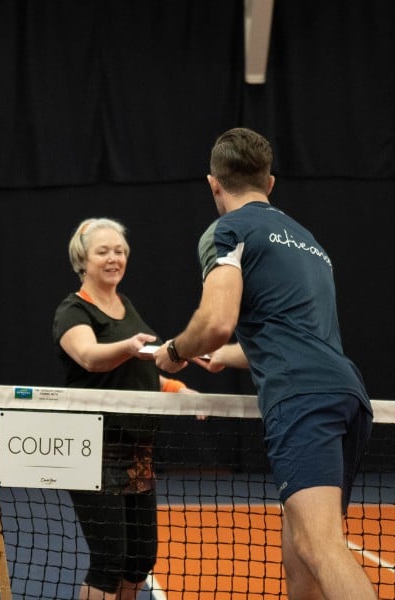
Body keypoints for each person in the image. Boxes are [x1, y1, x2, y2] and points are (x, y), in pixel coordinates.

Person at [153, 127, 376, 600]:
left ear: (214, 184)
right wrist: (227, 357)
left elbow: (215, 322)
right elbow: (293, 334)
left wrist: (174, 352)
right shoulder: (308, 240)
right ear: (269, 183)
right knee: (302, 554)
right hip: (345, 392)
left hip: (303, 400)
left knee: (321, 548)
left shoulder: (228, 230)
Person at [53, 217, 194, 600]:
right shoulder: (73, 311)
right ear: (83, 260)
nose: (113, 258)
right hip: (91, 450)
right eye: (103, 252)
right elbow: (90, 358)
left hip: (137, 452)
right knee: (109, 559)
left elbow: (139, 373)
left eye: (119, 251)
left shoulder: (126, 305)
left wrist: (176, 389)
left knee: (140, 559)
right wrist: (130, 347)